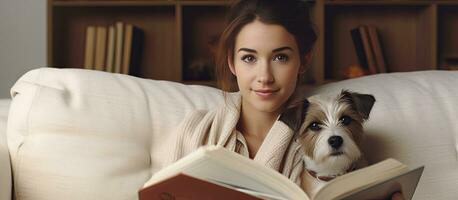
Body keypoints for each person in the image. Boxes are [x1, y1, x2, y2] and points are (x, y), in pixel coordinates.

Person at [162, 0, 404, 199]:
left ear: (304, 60)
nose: (264, 77)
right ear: (231, 62)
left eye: (280, 58)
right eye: (249, 58)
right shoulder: (197, 131)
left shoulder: (330, 145)